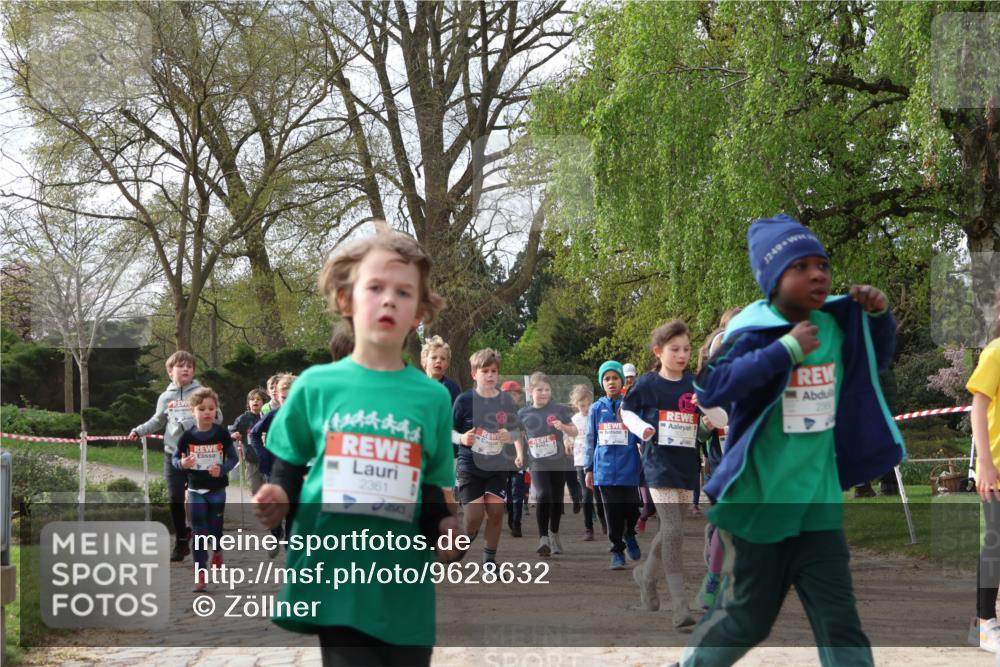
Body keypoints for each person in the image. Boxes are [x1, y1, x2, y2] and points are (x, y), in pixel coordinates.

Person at [672, 214, 903, 667]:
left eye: (823, 265)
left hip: (819, 507)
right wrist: (786, 350)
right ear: (773, 278)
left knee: (841, 625)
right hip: (762, 507)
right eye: (801, 267)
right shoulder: (752, 332)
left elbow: (874, 362)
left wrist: (879, 318)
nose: (817, 274)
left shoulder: (836, 323)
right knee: (747, 621)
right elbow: (711, 388)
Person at [252, 228, 461, 667]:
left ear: (419, 313)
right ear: (347, 299)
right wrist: (279, 493)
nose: (389, 300)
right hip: (336, 569)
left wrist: (443, 527)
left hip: (403, 576)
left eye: (403, 292)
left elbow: (428, 487)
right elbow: (288, 462)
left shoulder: (432, 398)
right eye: (375, 288)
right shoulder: (317, 386)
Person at [623, 319, 727, 628]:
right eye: (674, 350)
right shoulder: (647, 384)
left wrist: (706, 405)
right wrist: (642, 428)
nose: (682, 355)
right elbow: (626, 411)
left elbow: (721, 418)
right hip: (658, 465)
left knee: (671, 530)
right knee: (673, 530)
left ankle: (646, 576)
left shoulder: (695, 383)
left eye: (686, 349)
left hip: (686, 465)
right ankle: (680, 605)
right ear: (659, 352)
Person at [130, 350, 223, 562]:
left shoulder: (201, 392)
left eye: (189, 366)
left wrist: (208, 413)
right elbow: (157, 420)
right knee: (175, 498)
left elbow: (218, 417)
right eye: (181, 366)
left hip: (200, 455)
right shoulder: (165, 397)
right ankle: (182, 540)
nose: (186, 369)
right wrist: (138, 430)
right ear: (170, 371)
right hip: (173, 455)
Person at [452, 348, 520, 564]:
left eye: (494, 371)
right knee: (474, 517)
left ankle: (489, 562)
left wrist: (509, 435)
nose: (490, 375)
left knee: (496, 513)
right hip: (470, 467)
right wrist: (462, 438)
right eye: (485, 371)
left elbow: (516, 431)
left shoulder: (506, 401)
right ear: (474, 374)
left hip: (497, 467)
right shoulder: (464, 400)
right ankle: (463, 541)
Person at [173, 387, 238, 591]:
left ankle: (217, 550)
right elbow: (175, 458)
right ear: (193, 411)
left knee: (215, 529)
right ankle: (200, 575)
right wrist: (182, 464)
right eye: (202, 409)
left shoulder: (221, 433)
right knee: (199, 532)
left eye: (211, 408)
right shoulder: (187, 436)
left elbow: (234, 458)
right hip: (195, 490)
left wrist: (223, 469)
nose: (207, 412)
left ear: (216, 409)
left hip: (217, 490)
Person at [584, 361, 642, 569]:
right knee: (612, 514)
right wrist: (588, 469)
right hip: (605, 470)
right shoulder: (596, 409)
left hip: (629, 469)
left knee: (632, 510)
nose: (611, 382)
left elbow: (640, 433)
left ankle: (630, 535)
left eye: (615, 378)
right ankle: (617, 551)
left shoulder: (631, 406)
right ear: (602, 383)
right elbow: (590, 439)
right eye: (607, 379)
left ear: (622, 381)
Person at [515, 372, 577, 557]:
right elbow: (518, 435)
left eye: (547, 390)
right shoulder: (523, 413)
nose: (544, 393)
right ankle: (543, 538)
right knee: (543, 494)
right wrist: (519, 454)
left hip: (558, 461)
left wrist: (563, 427)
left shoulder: (558, 409)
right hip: (536, 461)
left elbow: (574, 431)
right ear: (530, 391)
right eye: (539, 390)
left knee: (557, 499)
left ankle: (553, 534)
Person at [968, 312, 1000, 653]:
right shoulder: (996, 352)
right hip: (997, 472)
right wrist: (986, 464)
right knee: (995, 544)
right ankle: (984, 623)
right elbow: (978, 408)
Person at [248, 373, 296, 558]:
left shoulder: (306, 415)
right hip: (275, 469)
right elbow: (253, 434)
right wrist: (264, 455)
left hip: (296, 471)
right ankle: (276, 533)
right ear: (278, 397)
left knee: (293, 512)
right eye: (284, 398)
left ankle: (291, 554)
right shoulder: (273, 415)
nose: (288, 402)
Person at [569, 384, 603, 540]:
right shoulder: (574, 420)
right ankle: (588, 528)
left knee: (600, 493)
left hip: (597, 459)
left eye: (588, 404)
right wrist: (567, 441)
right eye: (582, 405)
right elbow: (568, 434)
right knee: (587, 494)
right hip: (580, 460)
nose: (586, 408)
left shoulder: (597, 416)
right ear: (576, 405)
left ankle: (604, 520)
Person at [502, 380, 530, 534]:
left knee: (517, 491)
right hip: (501, 458)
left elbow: (523, 435)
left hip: (519, 457)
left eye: (516, 394)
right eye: (509, 394)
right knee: (507, 493)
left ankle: (516, 523)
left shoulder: (522, 413)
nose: (513, 397)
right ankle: (511, 518)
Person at [228, 387, 267, 494]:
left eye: (258, 399)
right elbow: (231, 432)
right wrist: (233, 435)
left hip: (268, 459)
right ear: (248, 403)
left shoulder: (267, 416)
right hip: (252, 460)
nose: (255, 401)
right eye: (252, 399)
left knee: (269, 491)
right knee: (255, 489)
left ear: (263, 402)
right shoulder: (243, 419)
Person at [422, 335, 462, 406]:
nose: (438, 361)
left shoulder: (451, 388)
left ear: (447, 364)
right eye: (434, 357)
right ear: (424, 361)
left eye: (443, 359)